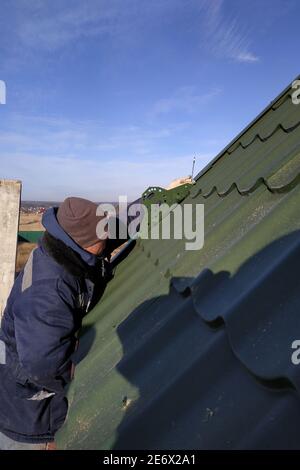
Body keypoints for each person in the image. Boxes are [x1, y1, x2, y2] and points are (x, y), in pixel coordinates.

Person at [0, 197, 114, 450]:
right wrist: (80, 379)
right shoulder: (49, 291)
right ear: (83, 242)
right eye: (103, 238)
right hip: (29, 413)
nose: (107, 242)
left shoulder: (64, 246)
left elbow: (116, 230)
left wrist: (153, 204)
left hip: (24, 382)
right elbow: (42, 365)